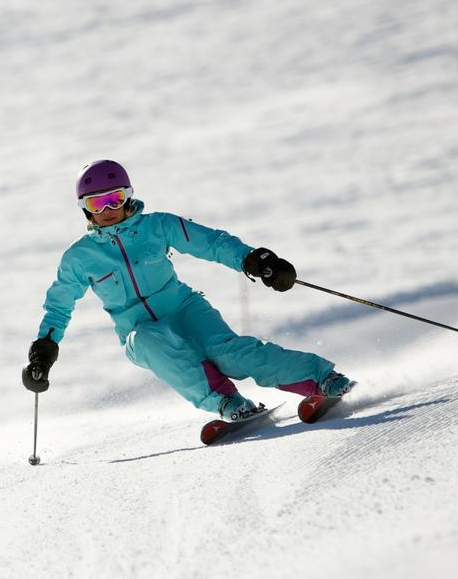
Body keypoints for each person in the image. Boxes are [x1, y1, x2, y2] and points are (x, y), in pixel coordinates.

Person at [21, 160, 355, 421]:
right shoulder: (80, 257)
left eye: (115, 199)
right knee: (151, 342)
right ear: (85, 208)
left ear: (129, 196)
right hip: (140, 331)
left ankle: (323, 379)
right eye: (98, 203)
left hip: (186, 310)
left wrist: (253, 259)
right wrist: (44, 351)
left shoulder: (158, 226)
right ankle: (226, 401)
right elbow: (59, 306)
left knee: (231, 353)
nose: (108, 210)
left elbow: (210, 243)